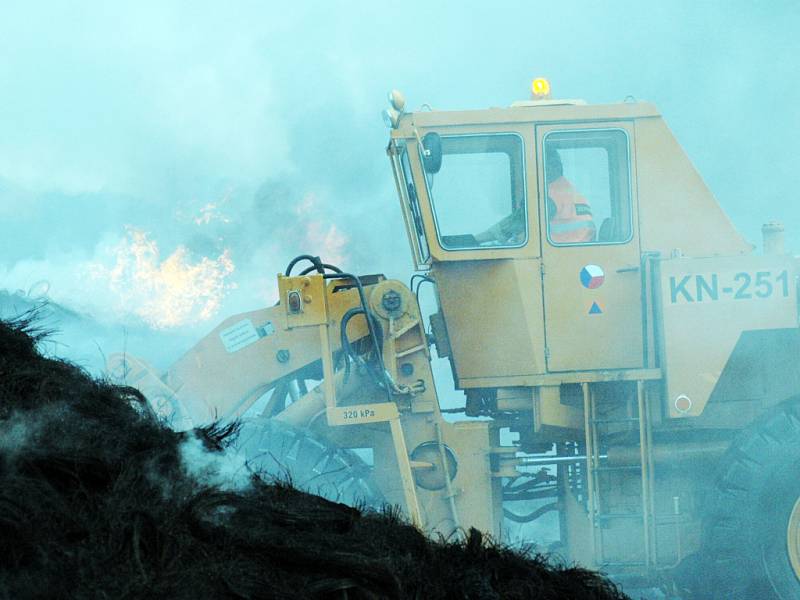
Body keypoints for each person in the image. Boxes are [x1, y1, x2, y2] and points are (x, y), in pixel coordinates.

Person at [473, 149, 595, 245]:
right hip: (575, 255)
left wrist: (474, 240)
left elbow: (512, 226)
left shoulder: (549, 196)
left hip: (558, 259)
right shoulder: (571, 192)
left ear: (550, 167)